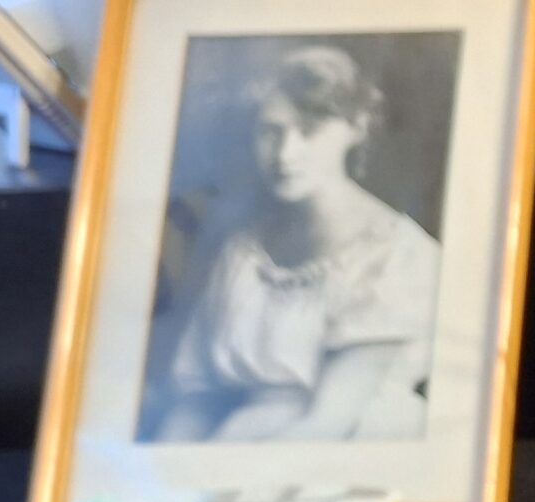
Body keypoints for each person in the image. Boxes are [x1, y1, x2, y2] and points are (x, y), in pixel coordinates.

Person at [152, 46, 439, 443]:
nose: (286, 154)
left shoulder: (397, 255)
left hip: (348, 449)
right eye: (270, 131)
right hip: (241, 445)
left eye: (310, 130)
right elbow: (195, 405)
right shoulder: (242, 254)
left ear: (356, 128)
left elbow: (329, 423)